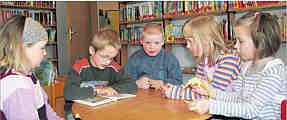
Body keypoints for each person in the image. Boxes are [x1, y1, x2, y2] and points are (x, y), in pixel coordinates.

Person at [188, 11, 287, 119]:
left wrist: (211, 105)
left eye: (241, 41)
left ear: (260, 43)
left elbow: (250, 109)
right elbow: (238, 97)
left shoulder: (274, 72)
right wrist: (212, 92)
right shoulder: (246, 67)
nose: (235, 45)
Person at [63, 29, 138, 119]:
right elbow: (68, 92)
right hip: (76, 111)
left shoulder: (113, 67)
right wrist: (97, 91)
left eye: (111, 58)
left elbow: (132, 85)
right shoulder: (80, 67)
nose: (107, 62)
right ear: (92, 51)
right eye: (104, 57)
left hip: (103, 109)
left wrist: (111, 88)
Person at [163, 16, 241, 101]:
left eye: (190, 41)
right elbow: (199, 89)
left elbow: (211, 94)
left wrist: (174, 92)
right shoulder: (203, 60)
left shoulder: (228, 61)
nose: (187, 46)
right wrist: (179, 88)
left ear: (205, 41)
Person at [0, 15, 62, 119]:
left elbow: (47, 113)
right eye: (42, 48)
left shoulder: (28, 75)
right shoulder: (16, 87)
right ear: (22, 48)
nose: (45, 52)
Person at [124, 23, 183, 90]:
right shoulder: (134, 58)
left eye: (156, 43)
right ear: (141, 41)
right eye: (148, 43)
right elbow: (124, 82)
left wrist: (162, 83)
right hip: (141, 97)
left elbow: (179, 82)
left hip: (163, 97)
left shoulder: (170, 58)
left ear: (162, 42)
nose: (152, 47)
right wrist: (136, 83)